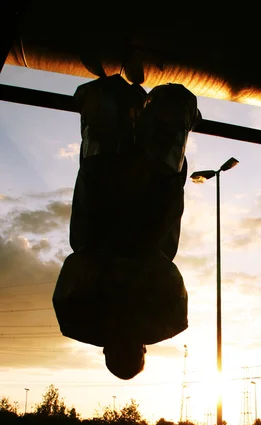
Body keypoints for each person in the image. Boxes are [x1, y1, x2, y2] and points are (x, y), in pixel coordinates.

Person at [53, 75, 200, 379]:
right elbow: (72, 271)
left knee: (162, 121)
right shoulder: (77, 321)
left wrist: (129, 260)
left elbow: (172, 278)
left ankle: (130, 100)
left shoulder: (167, 322)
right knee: (114, 127)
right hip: (120, 206)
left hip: (137, 208)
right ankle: (121, 97)